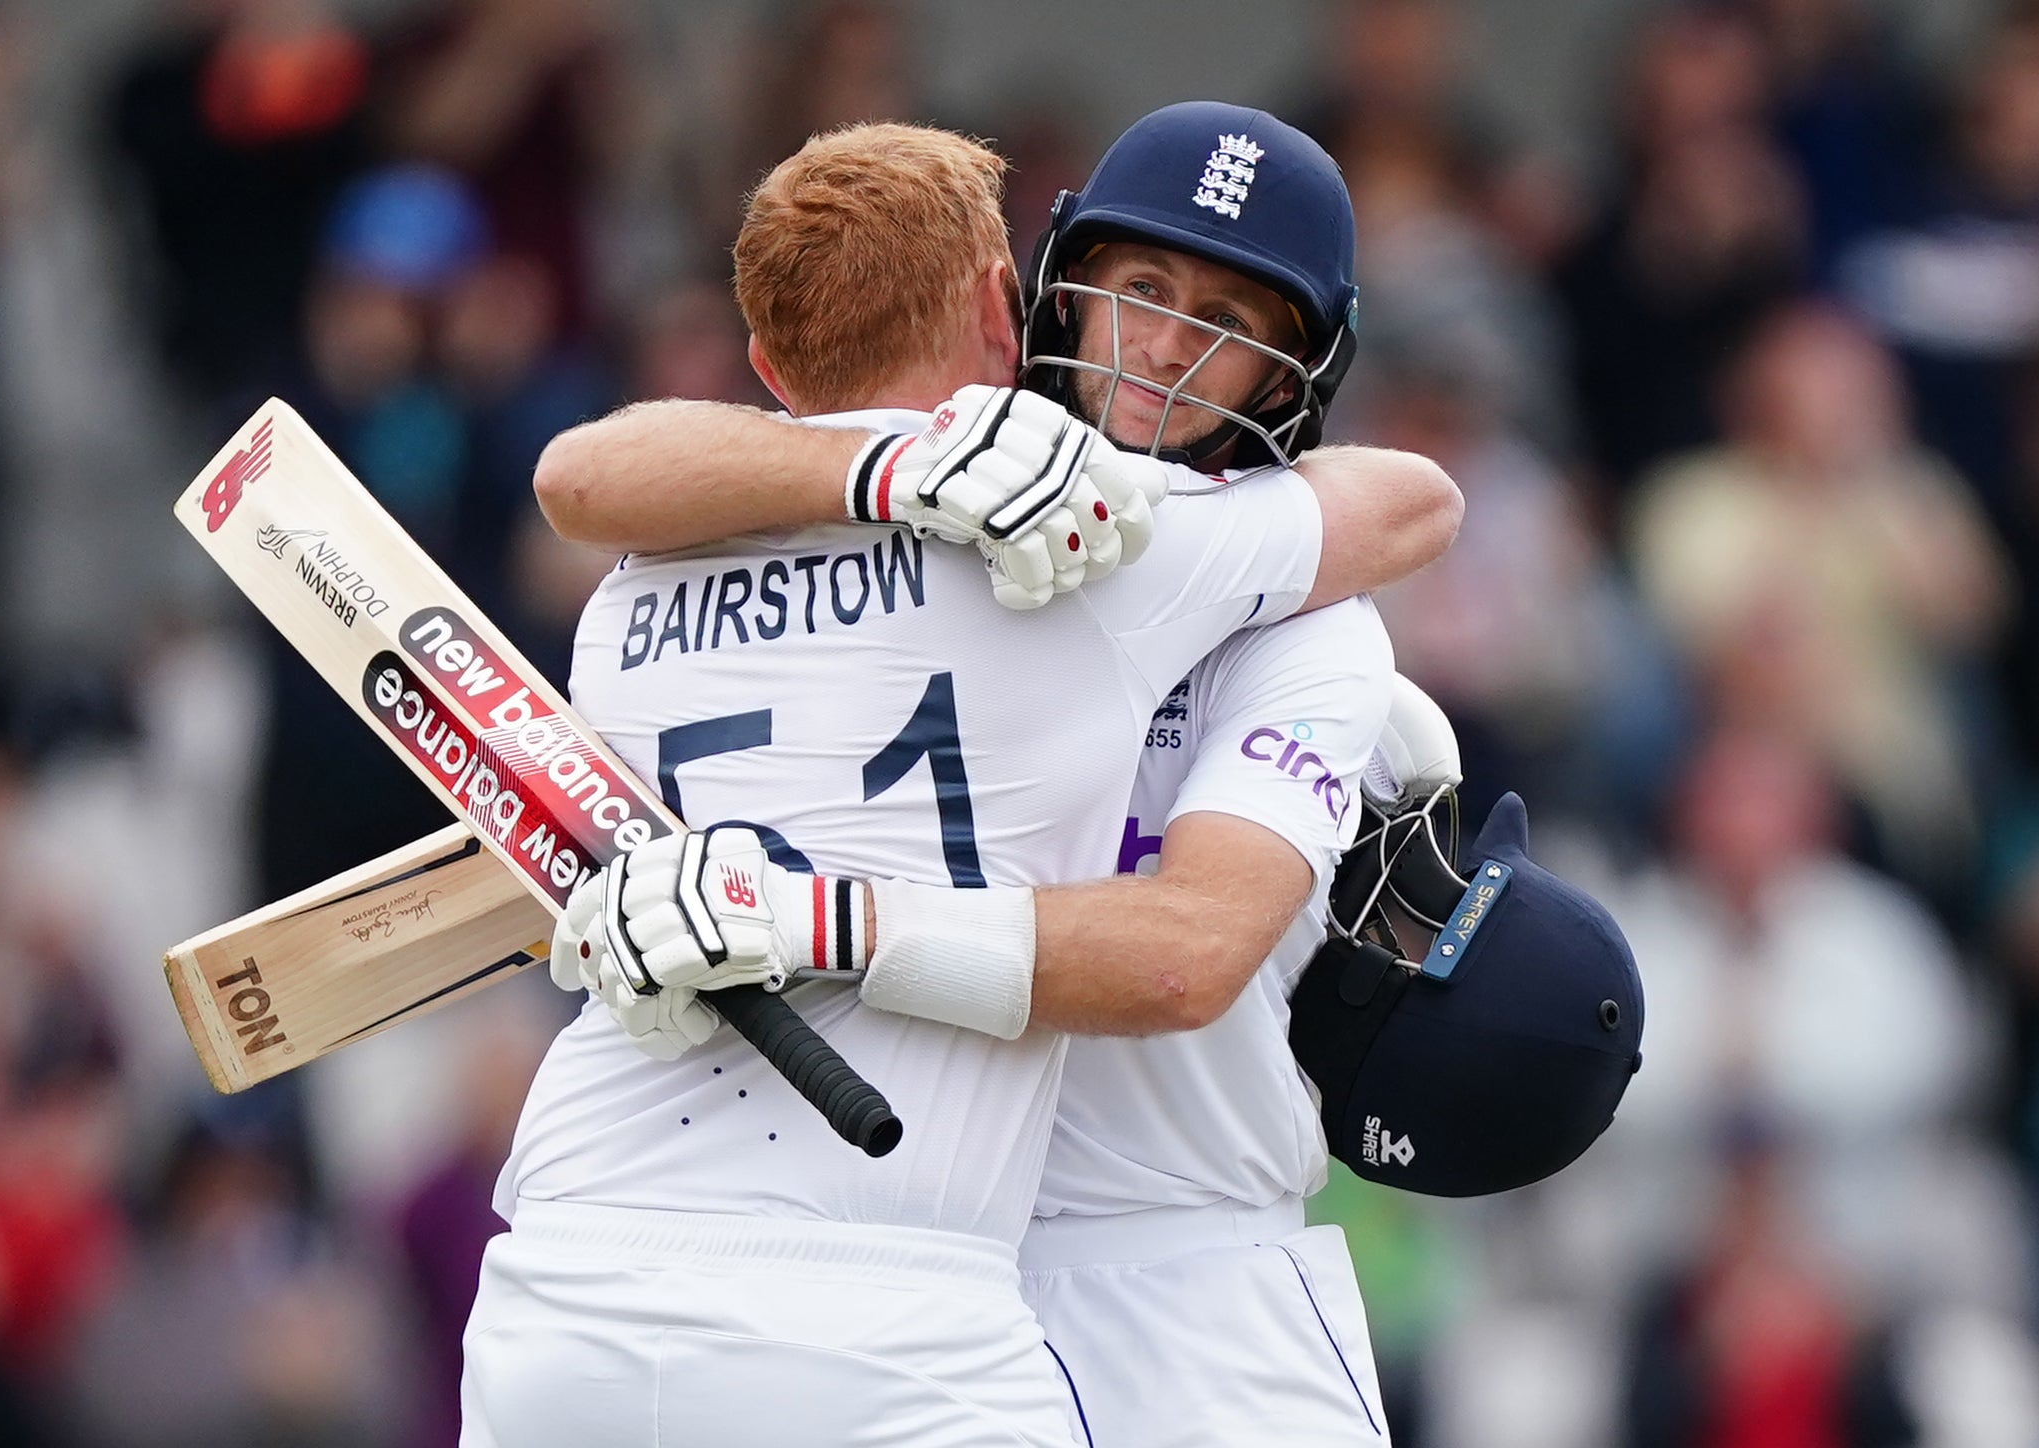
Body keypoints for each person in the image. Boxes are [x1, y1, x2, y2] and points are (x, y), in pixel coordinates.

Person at [464, 120, 1459, 1448]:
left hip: (1165, 1268)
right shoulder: (1072, 553)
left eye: (1224, 319)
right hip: (905, 1268)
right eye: (1138, 291)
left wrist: (809, 917)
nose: (1162, 347)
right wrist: (890, 470)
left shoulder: (647, 574)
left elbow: (579, 478)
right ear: (1026, 300)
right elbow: (1416, 501)